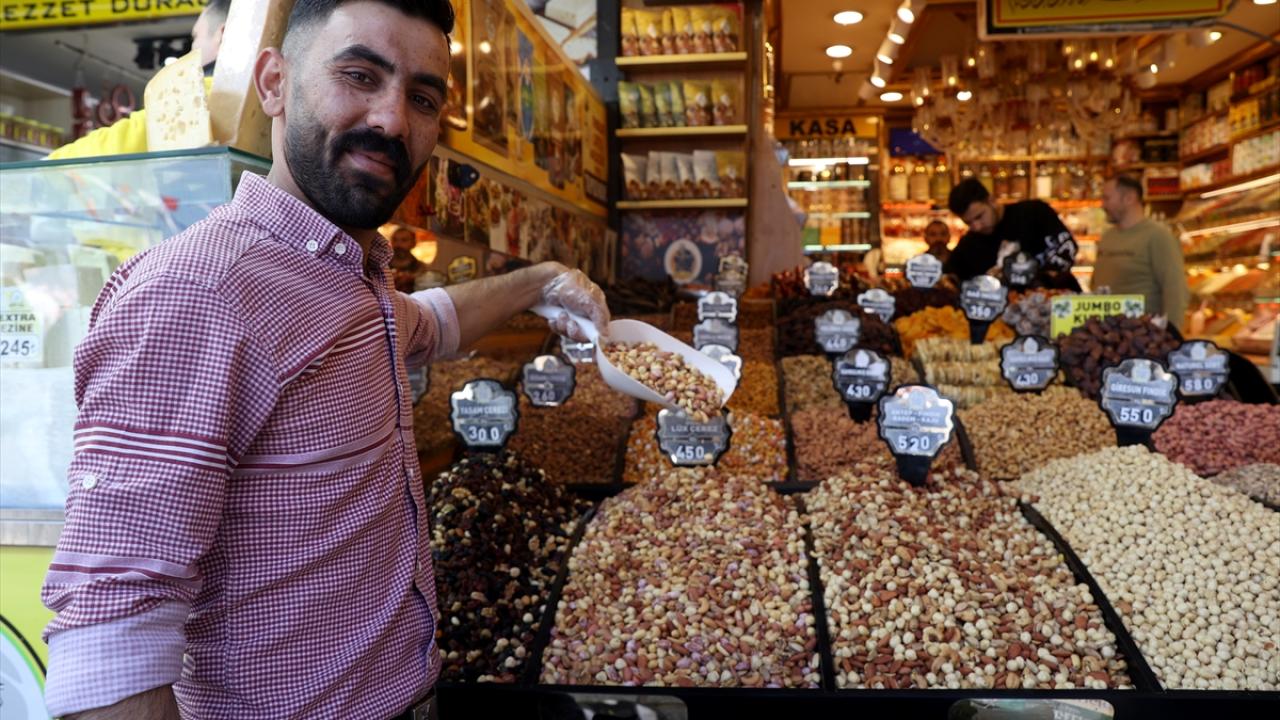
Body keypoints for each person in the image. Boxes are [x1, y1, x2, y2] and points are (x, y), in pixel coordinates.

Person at [39, 2, 609, 719]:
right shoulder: (198, 292)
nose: (392, 120)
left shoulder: (346, 278)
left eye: (422, 98)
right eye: (359, 76)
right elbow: (111, 640)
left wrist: (542, 281)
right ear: (274, 83)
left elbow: (431, 323)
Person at [47, 0, 229, 160]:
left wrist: (48, 163)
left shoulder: (204, 95)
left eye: (196, 37)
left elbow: (127, 139)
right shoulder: (242, 95)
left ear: (224, 35)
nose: (193, 48)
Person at [945, 177, 1081, 290]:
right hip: (1005, 312)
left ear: (992, 201)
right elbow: (949, 276)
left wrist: (1039, 277)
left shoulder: (1034, 212)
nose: (977, 226)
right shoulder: (969, 243)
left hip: (1058, 302)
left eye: (979, 216)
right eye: (968, 223)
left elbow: (1068, 248)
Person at [1095, 174, 1190, 330]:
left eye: (1107, 198)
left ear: (1129, 198)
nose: (1102, 205)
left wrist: (1172, 332)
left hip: (1142, 334)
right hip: (1108, 332)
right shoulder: (1107, 237)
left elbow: (1175, 289)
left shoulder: (1158, 236)